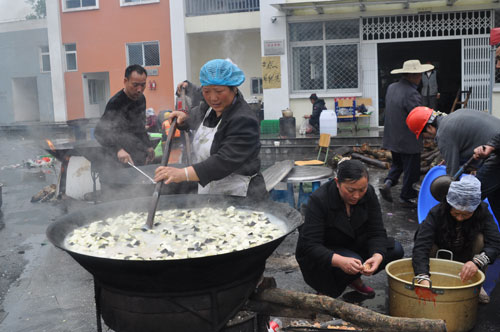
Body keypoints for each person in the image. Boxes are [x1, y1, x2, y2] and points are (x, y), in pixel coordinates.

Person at [154, 59, 267, 199]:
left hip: (241, 193)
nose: (213, 98)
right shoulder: (209, 108)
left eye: (219, 91)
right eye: (207, 91)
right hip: (212, 190)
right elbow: (194, 117)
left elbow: (223, 162)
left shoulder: (243, 120)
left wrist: (182, 174)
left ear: (234, 88)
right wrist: (183, 119)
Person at [295, 159, 404, 298]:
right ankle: (326, 288)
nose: (356, 196)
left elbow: (376, 231)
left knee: (395, 250)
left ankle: (353, 279)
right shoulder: (319, 200)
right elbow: (310, 246)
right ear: (337, 183)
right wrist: (339, 260)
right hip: (323, 255)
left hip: (352, 244)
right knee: (350, 262)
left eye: (362, 189)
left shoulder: (369, 193)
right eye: (350, 190)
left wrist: (377, 255)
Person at [412, 175, 500, 303]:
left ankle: (476, 284)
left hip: (468, 256)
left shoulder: (483, 212)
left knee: (480, 240)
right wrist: (422, 276)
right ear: (449, 205)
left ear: (475, 209)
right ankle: (432, 278)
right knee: (428, 245)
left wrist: (477, 262)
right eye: (456, 213)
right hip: (440, 255)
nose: (460, 218)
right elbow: (421, 246)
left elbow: (495, 243)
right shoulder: (436, 213)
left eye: (466, 214)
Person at [406, 106, 500, 224]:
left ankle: (463, 238)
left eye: (423, 136)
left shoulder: (443, 134)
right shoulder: (454, 117)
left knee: (467, 200)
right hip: (496, 151)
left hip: (496, 156)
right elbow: (470, 141)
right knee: (496, 198)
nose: (426, 139)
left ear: (429, 127)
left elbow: (451, 179)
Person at [380, 60, 434, 208]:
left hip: (392, 136)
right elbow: (418, 117)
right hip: (408, 139)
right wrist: (427, 131)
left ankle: (388, 182)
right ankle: (407, 196)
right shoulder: (412, 93)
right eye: (420, 75)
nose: (421, 78)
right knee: (412, 170)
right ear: (414, 76)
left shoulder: (392, 87)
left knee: (397, 164)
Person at [94, 64, 155, 166]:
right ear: (125, 81)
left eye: (143, 85)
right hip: (117, 161)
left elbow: (140, 127)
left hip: (136, 155)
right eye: (135, 85)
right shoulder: (116, 103)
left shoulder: (141, 99)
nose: (139, 89)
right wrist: (118, 150)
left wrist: (148, 146)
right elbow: (99, 132)